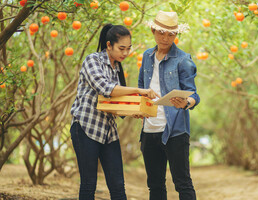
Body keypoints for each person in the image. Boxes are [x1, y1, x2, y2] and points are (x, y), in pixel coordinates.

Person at [70, 24, 158, 200]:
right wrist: (139, 91)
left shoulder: (117, 67)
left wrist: (134, 110)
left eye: (128, 49)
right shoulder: (92, 60)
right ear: (109, 45)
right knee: (89, 184)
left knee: (118, 186)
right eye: (121, 48)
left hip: (108, 131)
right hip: (86, 127)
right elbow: (105, 89)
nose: (125, 53)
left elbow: (113, 102)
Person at [138, 11, 200, 200]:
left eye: (171, 34)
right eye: (161, 33)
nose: (165, 38)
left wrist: (186, 103)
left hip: (175, 131)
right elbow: (141, 87)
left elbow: (194, 94)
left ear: (176, 35)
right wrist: (139, 109)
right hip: (149, 130)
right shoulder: (147, 56)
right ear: (153, 31)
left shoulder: (183, 59)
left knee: (182, 183)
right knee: (155, 185)